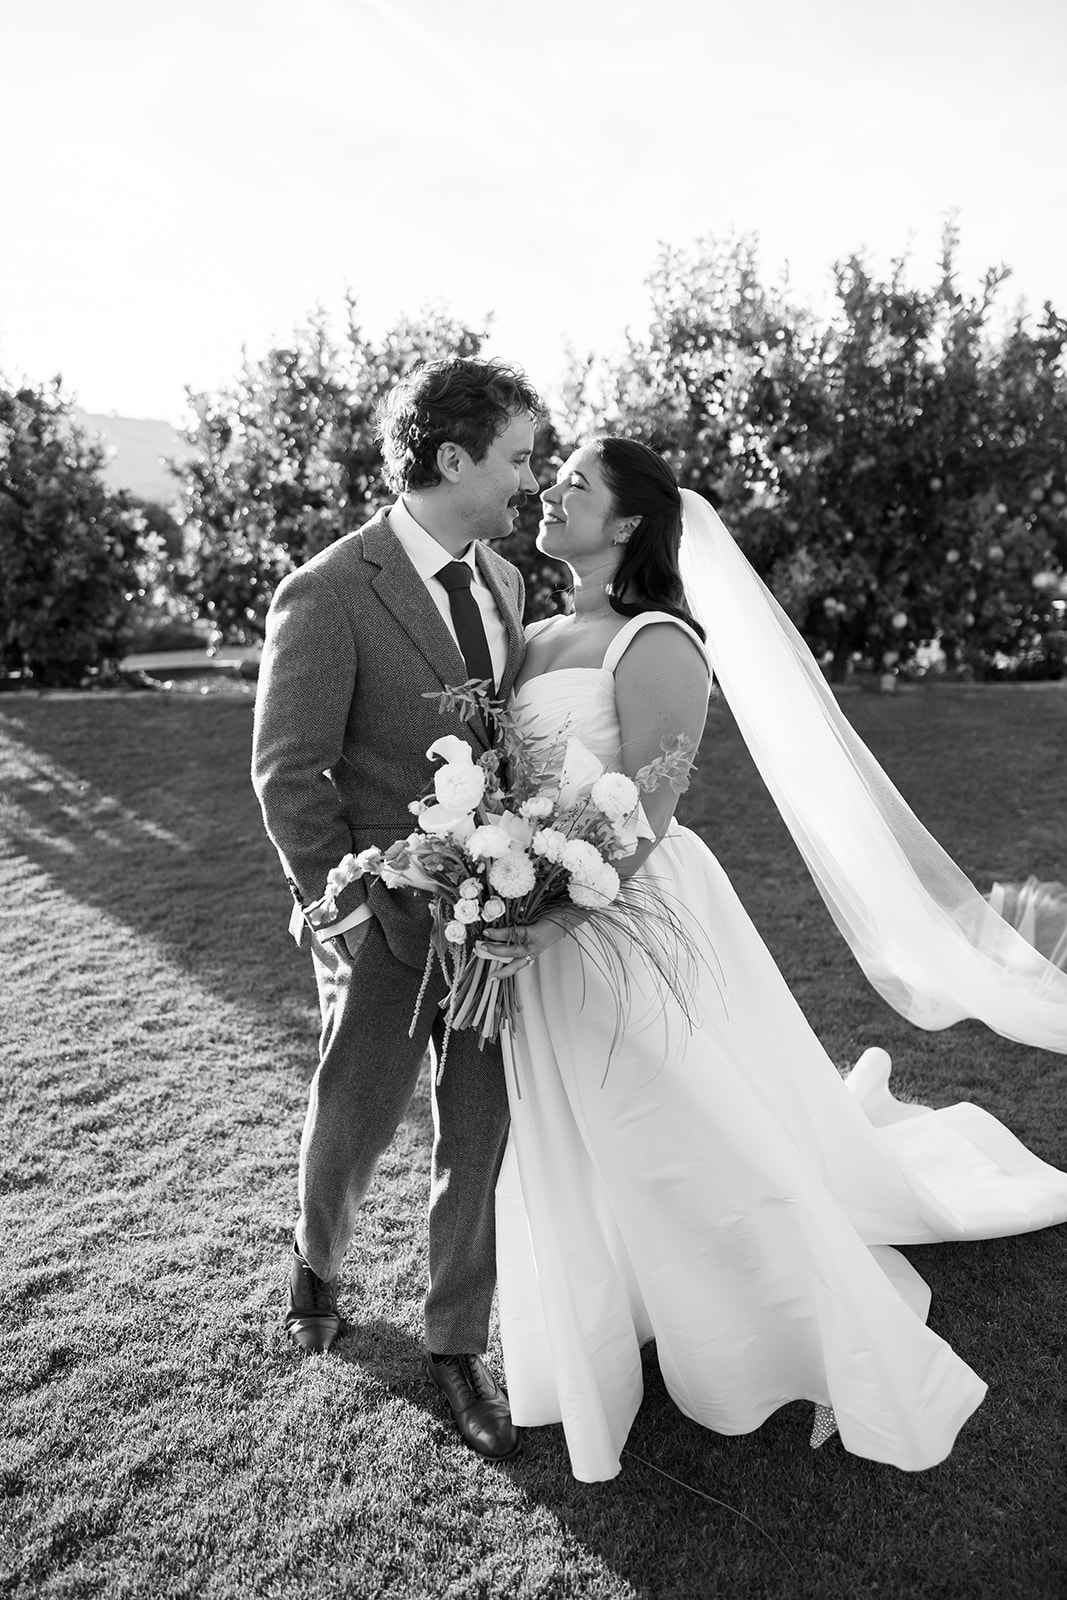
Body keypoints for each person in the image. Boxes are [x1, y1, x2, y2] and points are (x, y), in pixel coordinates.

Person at [478, 437, 1067, 1482]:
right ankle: (633, 1305)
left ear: (624, 525)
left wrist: (559, 913)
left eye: (575, 482)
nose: (550, 491)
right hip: (537, 909)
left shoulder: (657, 639)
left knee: (680, 1115)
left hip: (627, 912)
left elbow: (650, 803)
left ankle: (788, 1321)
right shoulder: (531, 632)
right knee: (582, 1126)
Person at [251, 356, 544, 1461]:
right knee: (355, 1112)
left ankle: (454, 1340)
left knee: (480, 1125)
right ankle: (317, 1256)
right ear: (454, 457)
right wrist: (360, 904)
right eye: (515, 455)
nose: (528, 476)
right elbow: (288, 773)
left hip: (492, 916)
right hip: (384, 921)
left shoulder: (506, 583)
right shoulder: (328, 590)